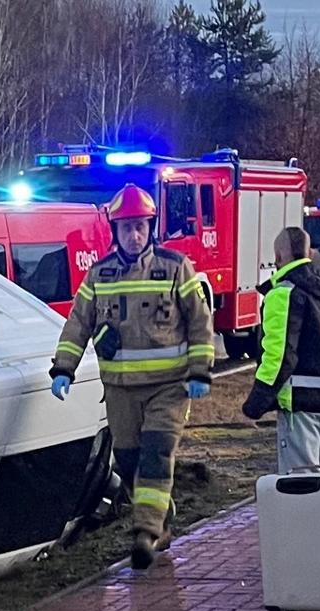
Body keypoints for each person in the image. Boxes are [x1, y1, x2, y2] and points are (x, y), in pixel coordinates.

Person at [50, 184, 215, 569]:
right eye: (126, 228)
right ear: (115, 231)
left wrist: (200, 372)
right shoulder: (100, 274)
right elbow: (78, 324)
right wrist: (63, 368)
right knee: (128, 462)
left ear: (150, 228)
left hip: (169, 388)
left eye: (140, 227)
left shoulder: (176, 268)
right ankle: (161, 519)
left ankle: (145, 534)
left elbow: (200, 323)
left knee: (157, 455)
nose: (133, 235)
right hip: (121, 390)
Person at [242, 227, 320, 473]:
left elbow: (278, 355)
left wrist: (257, 402)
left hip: (303, 408)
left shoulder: (283, 293)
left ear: (279, 256)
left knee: (303, 488)